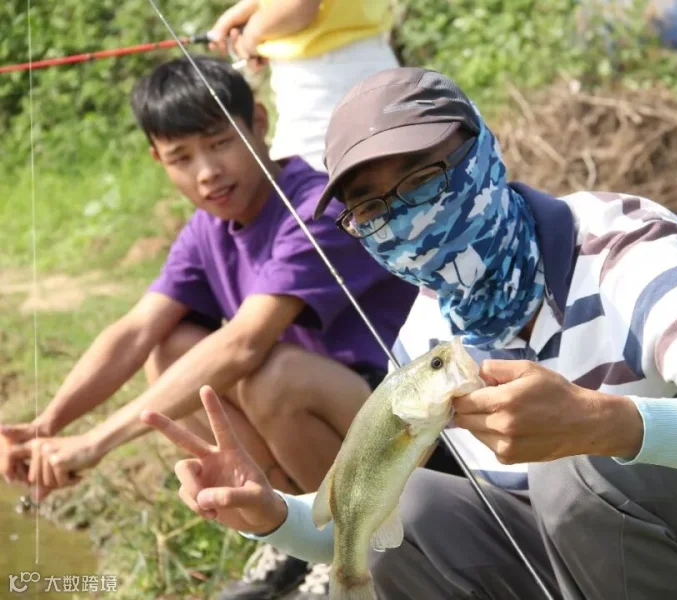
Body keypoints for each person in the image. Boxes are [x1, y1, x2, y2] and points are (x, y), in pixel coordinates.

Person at [143, 67, 677, 600]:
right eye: (373, 210)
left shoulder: (627, 248)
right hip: (618, 572)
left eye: (423, 180)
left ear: (482, 153)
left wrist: (601, 423)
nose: (407, 219)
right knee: (422, 509)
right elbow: (366, 524)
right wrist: (270, 513)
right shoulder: (431, 336)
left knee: (577, 470)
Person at [0, 57, 419, 600]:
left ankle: (347, 544)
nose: (207, 172)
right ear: (158, 160)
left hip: (399, 423)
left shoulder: (313, 207)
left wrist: (96, 443)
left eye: (220, 143)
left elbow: (244, 343)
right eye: (181, 157)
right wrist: (48, 424)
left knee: (273, 375)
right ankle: (290, 529)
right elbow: (136, 330)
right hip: (327, 426)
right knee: (171, 349)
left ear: (259, 122)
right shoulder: (207, 230)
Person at [207, 0, 400, 171]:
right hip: (365, 60)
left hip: (324, 82)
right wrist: (250, 10)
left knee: (307, 187)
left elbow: (301, 6)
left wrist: (252, 35)